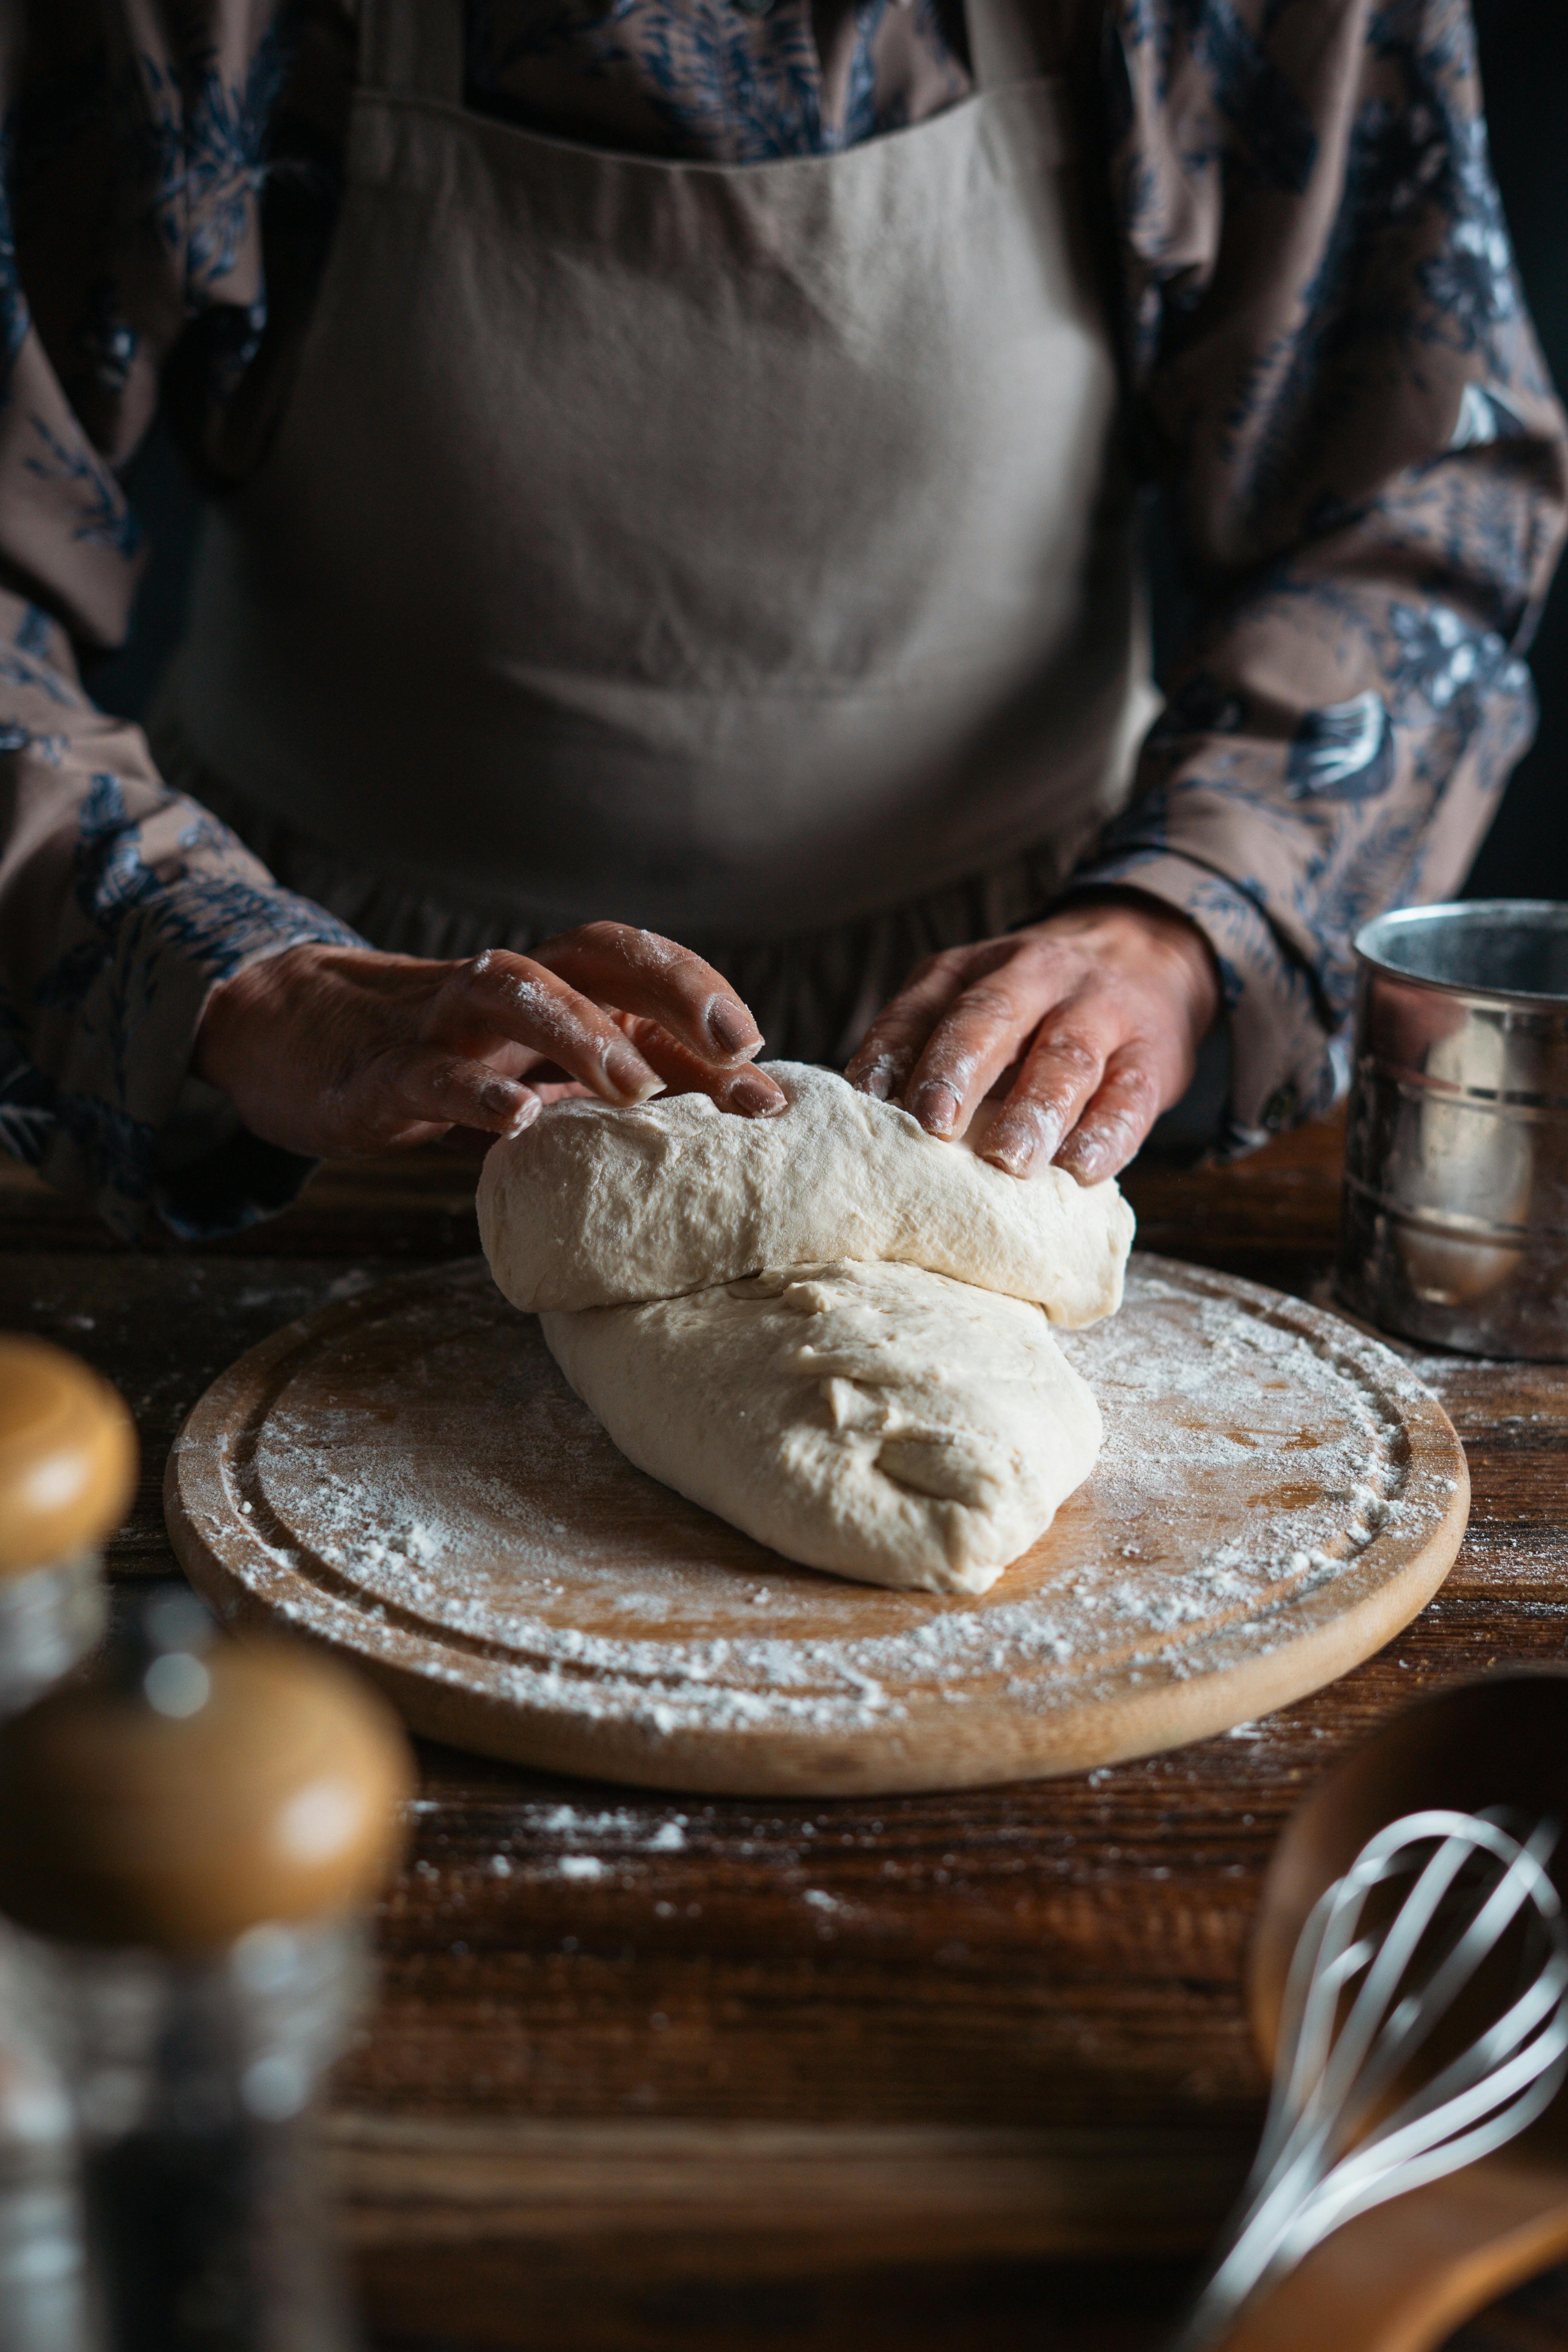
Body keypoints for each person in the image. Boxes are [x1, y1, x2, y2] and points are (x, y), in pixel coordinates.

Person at [0, 0, 1562, 1242]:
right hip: (340, 1090)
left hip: (1008, 1077)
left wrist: (1178, 925)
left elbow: (1409, 511)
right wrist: (247, 983)